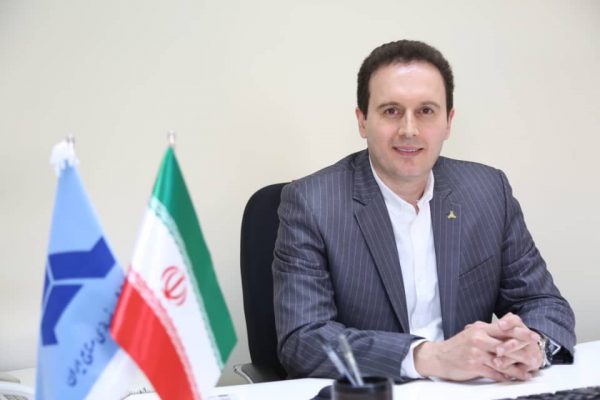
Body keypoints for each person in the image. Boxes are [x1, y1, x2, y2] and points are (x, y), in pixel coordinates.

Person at [272, 39, 575, 382]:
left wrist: (533, 345)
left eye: (426, 111)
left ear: (448, 121)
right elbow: (303, 340)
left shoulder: (489, 191)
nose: (409, 130)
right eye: (391, 111)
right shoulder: (311, 203)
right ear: (362, 121)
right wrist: (428, 357)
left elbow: (544, 302)